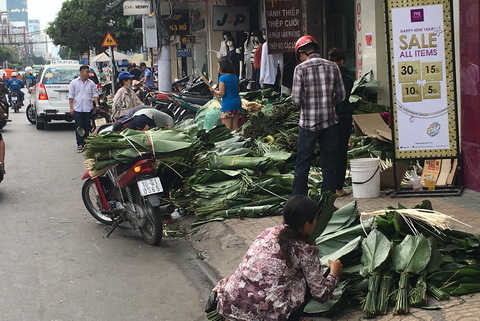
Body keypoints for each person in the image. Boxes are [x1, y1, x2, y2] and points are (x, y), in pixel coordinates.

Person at [213, 195, 343, 321]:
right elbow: (320, 294)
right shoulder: (305, 250)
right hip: (263, 315)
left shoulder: (268, 232)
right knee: (302, 280)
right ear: (307, 224)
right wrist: (334, 274)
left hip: (230, 302)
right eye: (315, 219)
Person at [291, 36, 346, 195]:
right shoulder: (333, 67)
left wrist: (307, 102)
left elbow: (295, 100)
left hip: (308, 124)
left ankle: (299, 199)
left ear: (302, 53)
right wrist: (328, 101)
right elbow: (341, 95)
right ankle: (327, 202)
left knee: (303, 163)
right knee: (329, 164)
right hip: (330, 123)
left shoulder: (300, 69)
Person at [328, 48, 354, 197]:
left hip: (328, 116)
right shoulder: (346, 74)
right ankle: (338, 187)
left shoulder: (326, 72)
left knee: (329, 152)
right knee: (341, 152)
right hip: (343, 116)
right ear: (342, 60)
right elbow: (346, 93)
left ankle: (329, 187)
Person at [68, 65, 100, 152]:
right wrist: (71, 108)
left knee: (87, 126)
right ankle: (80, 143)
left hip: (88, 108)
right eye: (86, 72)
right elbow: (71, 96)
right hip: (78, 108)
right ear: (81, 72)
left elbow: (95, 95)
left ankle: (86, 142)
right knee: (79, 126)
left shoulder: (91, 83)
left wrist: (97, 105)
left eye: (88, 72)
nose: (88, 74)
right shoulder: (74, 83)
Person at [210, 57, 242, 131]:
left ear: (223, 67)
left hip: (228, 105)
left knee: (227, 130)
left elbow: (221, 93)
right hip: (237, 104)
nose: (218, 68)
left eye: (219, 66)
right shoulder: (235, 77)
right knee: (235, 129)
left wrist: (213, 91)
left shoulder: (223, 78)